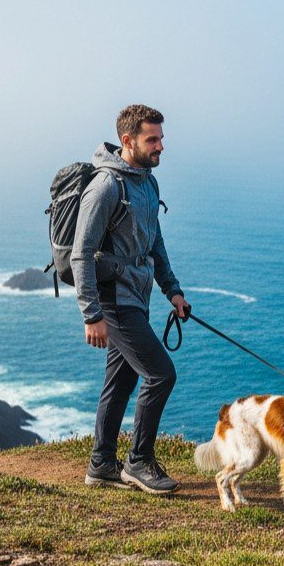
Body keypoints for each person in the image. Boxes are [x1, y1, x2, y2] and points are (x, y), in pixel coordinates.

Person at [72, 104, 191, 495]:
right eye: (151, 139)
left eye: (161, 139)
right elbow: (81, 252)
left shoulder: (147, 183)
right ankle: (138, 462)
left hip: (135, 297)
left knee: (120, 382)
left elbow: (154, 243)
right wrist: (91, 315)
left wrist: (172, 290)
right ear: (128, 141)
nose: (160, 147)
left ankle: (102, 464)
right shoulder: (107, 186)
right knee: (160, 374)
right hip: (114, 301)